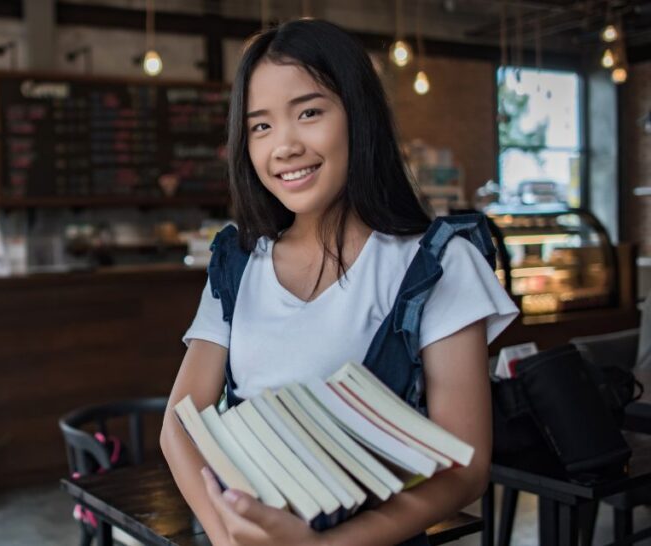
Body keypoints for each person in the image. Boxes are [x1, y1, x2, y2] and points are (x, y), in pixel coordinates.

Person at [159, 19, 519, 546]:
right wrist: (226, 536)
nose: (283, 146)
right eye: (260, 126)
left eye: (308, 112)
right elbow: (179, 424)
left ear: (359, 116)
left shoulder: (436, 264)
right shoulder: (238, 263)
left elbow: (463, 469)